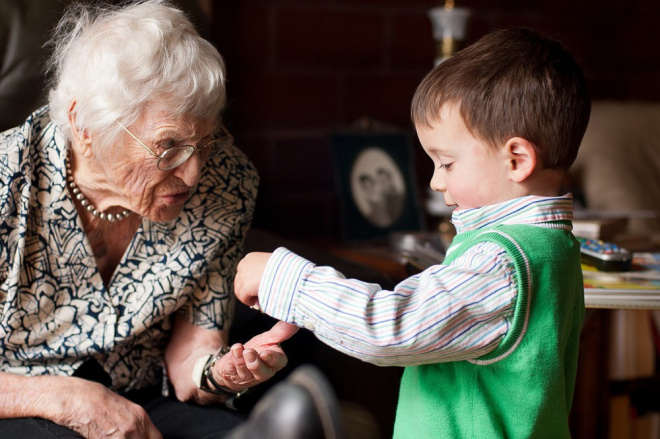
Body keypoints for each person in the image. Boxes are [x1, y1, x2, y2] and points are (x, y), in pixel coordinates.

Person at [235, 27, 590, 438]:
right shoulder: (553, 246)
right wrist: (310, 309)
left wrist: (287, 281)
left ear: (516, 159)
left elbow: (390, 329)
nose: (437, 182)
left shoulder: (499, 262)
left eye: (447, 163)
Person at [0, 1, 298, 438]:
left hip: (142, 394)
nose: (194, 173)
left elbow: (190, 355)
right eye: (170, 145)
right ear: (85, 124)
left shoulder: (227, 184)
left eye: (206, 141)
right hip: (18, 397)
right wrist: (67, 398)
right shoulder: (8, 179)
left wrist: (220, 371)